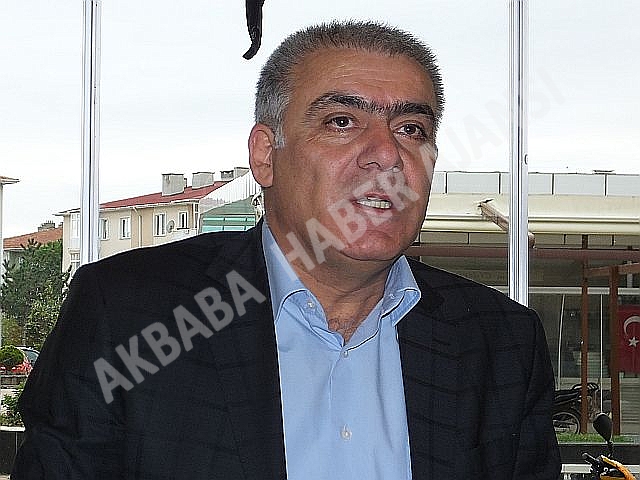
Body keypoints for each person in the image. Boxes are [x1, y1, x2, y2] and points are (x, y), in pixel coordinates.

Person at [12, 20, 561, 479]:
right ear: (265, 155)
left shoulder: (501, 342)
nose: (386, 154)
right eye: (342, 122)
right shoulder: (132, 314)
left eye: (411, 128)